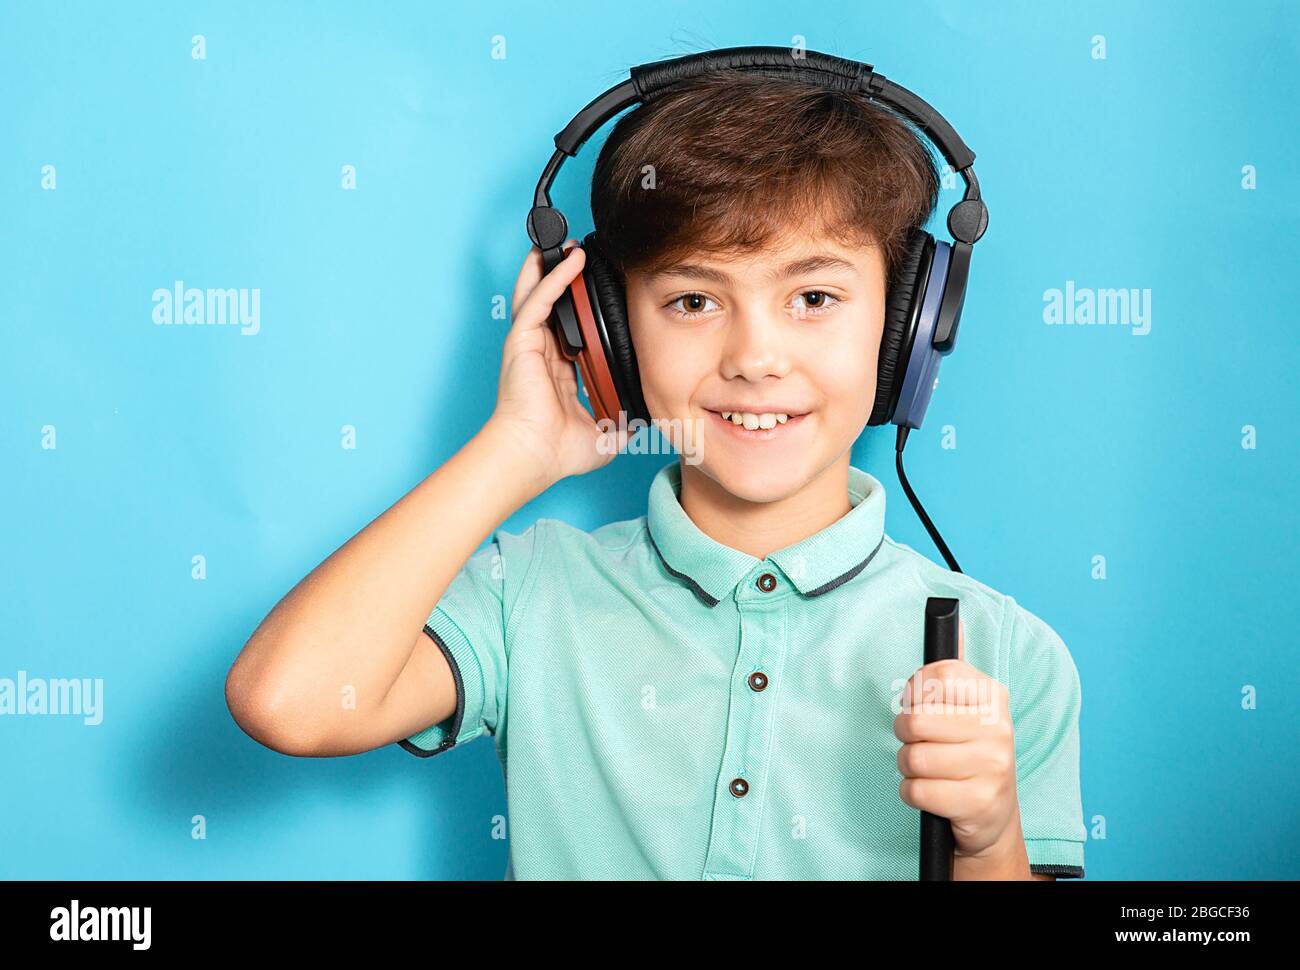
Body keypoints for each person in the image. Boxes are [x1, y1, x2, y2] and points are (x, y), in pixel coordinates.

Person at [225, 67, 1086, 881]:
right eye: (694, 300)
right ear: (610, 336)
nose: (755, 358)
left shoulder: (1007, 655)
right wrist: (519, 445)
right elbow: (289, 701)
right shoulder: (531, 594)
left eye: (814, 298)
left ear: (905, 329)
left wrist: (990, 837)